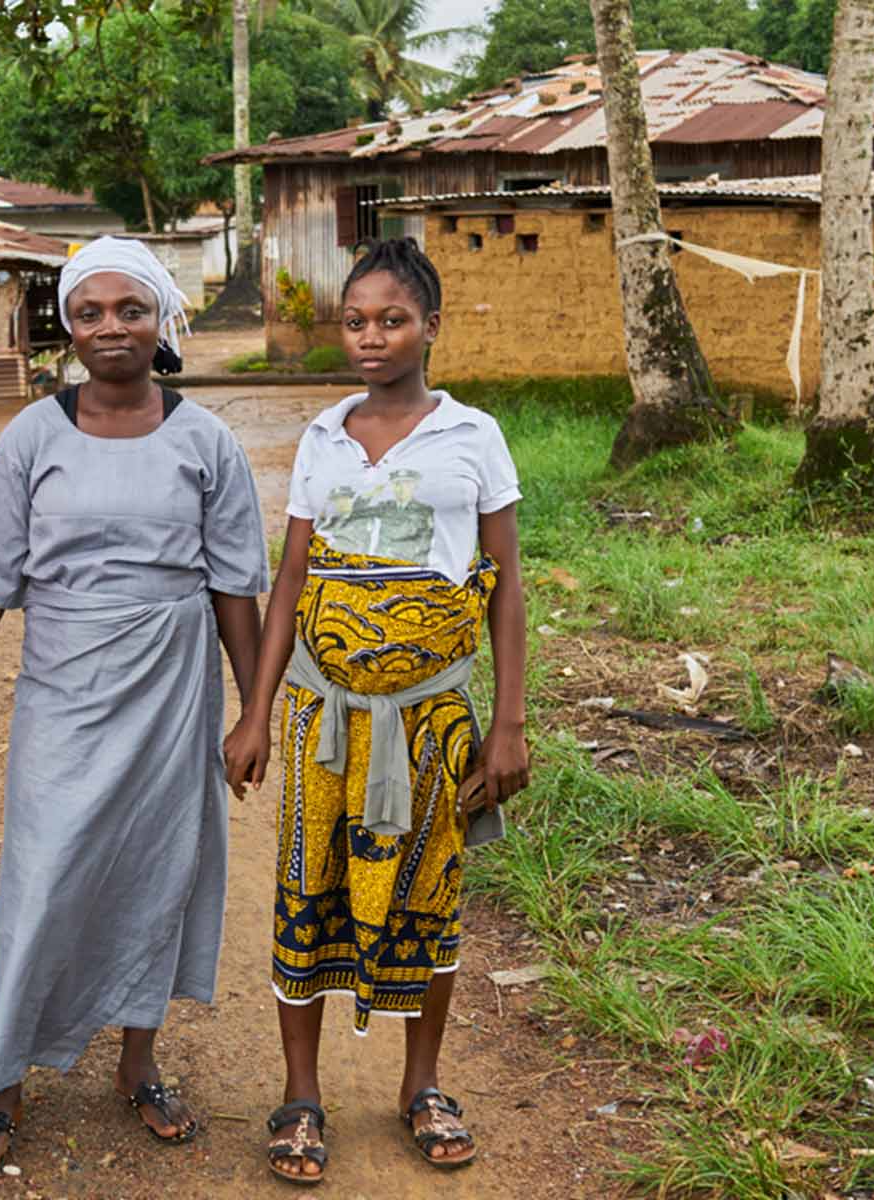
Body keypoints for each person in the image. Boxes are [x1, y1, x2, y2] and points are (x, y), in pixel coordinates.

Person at [0, 236, 269, 1176]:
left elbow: (236, 586)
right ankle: (0, 1083)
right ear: (65, 326)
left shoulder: (207, 440)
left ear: (161, 321)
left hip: (171, 685)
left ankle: (138, 1062)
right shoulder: (34, 435)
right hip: (65, 685)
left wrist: (252, 712)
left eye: (130, 310)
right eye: (89, 313)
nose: (109, 328)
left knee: (159, 872)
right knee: (42, 875)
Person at [223, 237, 529, 1183]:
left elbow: (506, 584)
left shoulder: (472, 435)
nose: (370, 337)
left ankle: (421, 1085)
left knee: (431, 894)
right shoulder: (322, 438)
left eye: (391, 319)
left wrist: (509, 720)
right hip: (329, 722)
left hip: (432, 720)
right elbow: (292, 581)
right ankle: (301, 1094)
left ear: (431, 326)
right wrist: (256, 710)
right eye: (355, 321)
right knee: (308, 892)